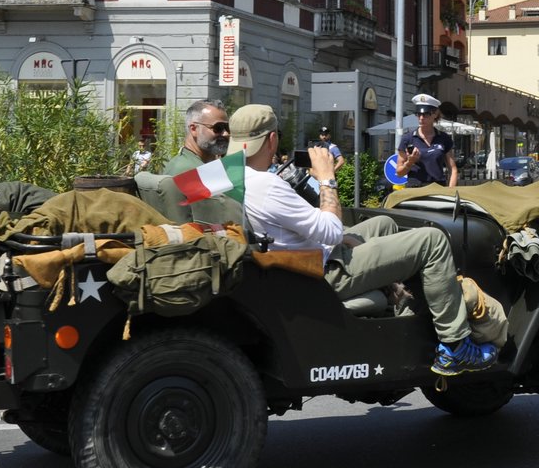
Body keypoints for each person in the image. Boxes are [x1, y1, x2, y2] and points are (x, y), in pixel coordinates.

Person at [228, 104, 496, 375]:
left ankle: (403, 309)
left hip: (300, 260)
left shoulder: (237, 178)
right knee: (433, 241)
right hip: (323, 272)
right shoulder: (267, 186)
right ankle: (456, 345)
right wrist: (327, 179)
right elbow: (330, 229)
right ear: (272, 139)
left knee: (385, 223)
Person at [395, 93, 458, 189]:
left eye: (426, 114)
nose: (421, 118)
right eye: (419, 114)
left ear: (435, 114)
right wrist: (410, 162)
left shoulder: (444, 138)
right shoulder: (408, 139)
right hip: (415, 189)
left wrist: (450, 192)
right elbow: (399, 173)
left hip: (437, 188)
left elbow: (453, 169)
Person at [162, 99, 230, 177]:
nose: (226, 134)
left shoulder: (203, 165)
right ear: (193, 129)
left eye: (227, 127)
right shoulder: (186, 171)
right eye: (218, 128)